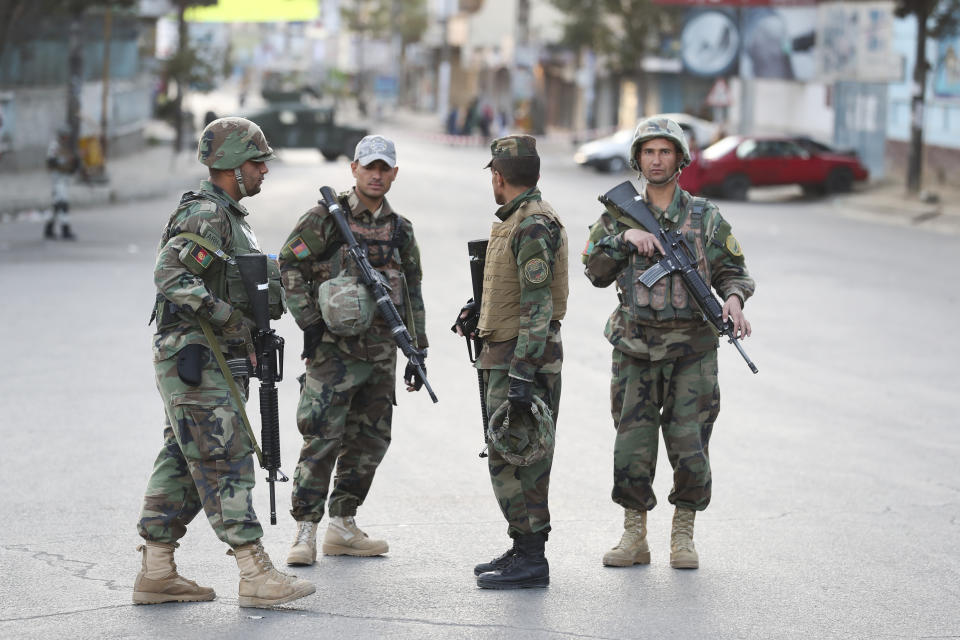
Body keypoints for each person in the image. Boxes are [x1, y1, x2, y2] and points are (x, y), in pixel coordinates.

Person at [135, 117, 315, 608]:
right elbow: (168, 272)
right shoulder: (207, 216)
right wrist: (227, 319)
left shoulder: (230, 216)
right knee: (224, 458)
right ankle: (254, 571)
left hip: (205, 354)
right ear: (234, 167)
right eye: (258, 162)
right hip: (195, 353)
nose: (264, 170)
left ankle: (156, 571)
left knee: (182, 460)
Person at [582, 116, 755, 570]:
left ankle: (683, 535)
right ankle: (634, 534)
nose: (657, 160)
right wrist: (624, 239)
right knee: (632, 443)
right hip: (635, 348)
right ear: (637, 159)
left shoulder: (705, 217)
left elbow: (733, 271)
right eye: (648, 152)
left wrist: (734, 301)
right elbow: (593, 271)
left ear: (680, 159)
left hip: (693, 350)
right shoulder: (617, 215)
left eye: (665, 151)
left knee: (690, 443)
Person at [280, 134, 429, 566]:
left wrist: (418, 351)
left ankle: (342, 524)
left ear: (394, 173)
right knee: (322, 438)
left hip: (382, 351)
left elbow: (413, 291)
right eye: (370, 167)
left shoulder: (401, 230)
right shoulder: (325, 219)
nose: (377, 175)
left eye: (385, 168)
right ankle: (304, 531)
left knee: (370, 440)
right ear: (354, 170)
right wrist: (308, 320)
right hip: (334, 352)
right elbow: (288, 264)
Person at [460, 135, 568, 589]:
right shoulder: (518, 219)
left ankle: (532, 559)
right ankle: (522, 545)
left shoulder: (531, 224)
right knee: (511, 458)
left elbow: (538, 305)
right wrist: (476, 308)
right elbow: (512, 288)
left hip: (520, 363)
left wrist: (522, 374)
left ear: (498, 177)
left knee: (519, 462)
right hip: (504, 355)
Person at [45, 125, 78, 240]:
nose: (66, 138)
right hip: (58, 180)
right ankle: (65, 230)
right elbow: (51, 161)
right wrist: (65, 161)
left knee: (56, 206)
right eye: (65, 136)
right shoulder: (54, 146)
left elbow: (71, 166)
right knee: (63, 204)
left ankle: (48, 229)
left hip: (64, 179)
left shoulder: (65, 147)